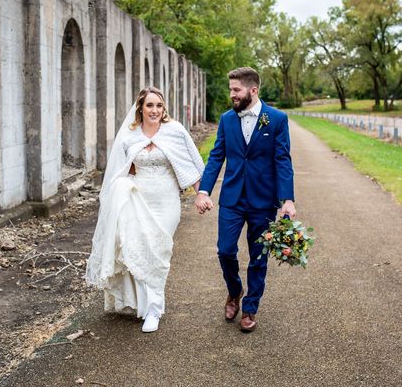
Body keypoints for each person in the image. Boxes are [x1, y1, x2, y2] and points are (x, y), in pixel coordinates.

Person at [86, 87, 207, 333]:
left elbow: (191, 162)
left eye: (159, 106)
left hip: (166, 201)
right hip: (138, 200)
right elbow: (120, 169)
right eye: (150, 105)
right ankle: (149, 306)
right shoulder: (130, 135)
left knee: (159, 250)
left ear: (164, 109)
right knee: (139, 249)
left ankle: (154, 310)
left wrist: (201, 193)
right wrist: (117, 193)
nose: (154, 110)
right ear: (141, 107)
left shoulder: (174, 131)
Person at [195, 67, 296, 333]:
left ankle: (250, 308)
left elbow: (282, 159)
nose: (232, 94)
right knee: (225, 250)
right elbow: (217, 156)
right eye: (231, 89)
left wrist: (287, 199)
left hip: (262, 200)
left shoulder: (276, 119)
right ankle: (234, 291)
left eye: (236, 90)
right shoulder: (227, 119)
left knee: (258, 256)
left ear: (253, 90)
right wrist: (204, 190)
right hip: (232, 197)